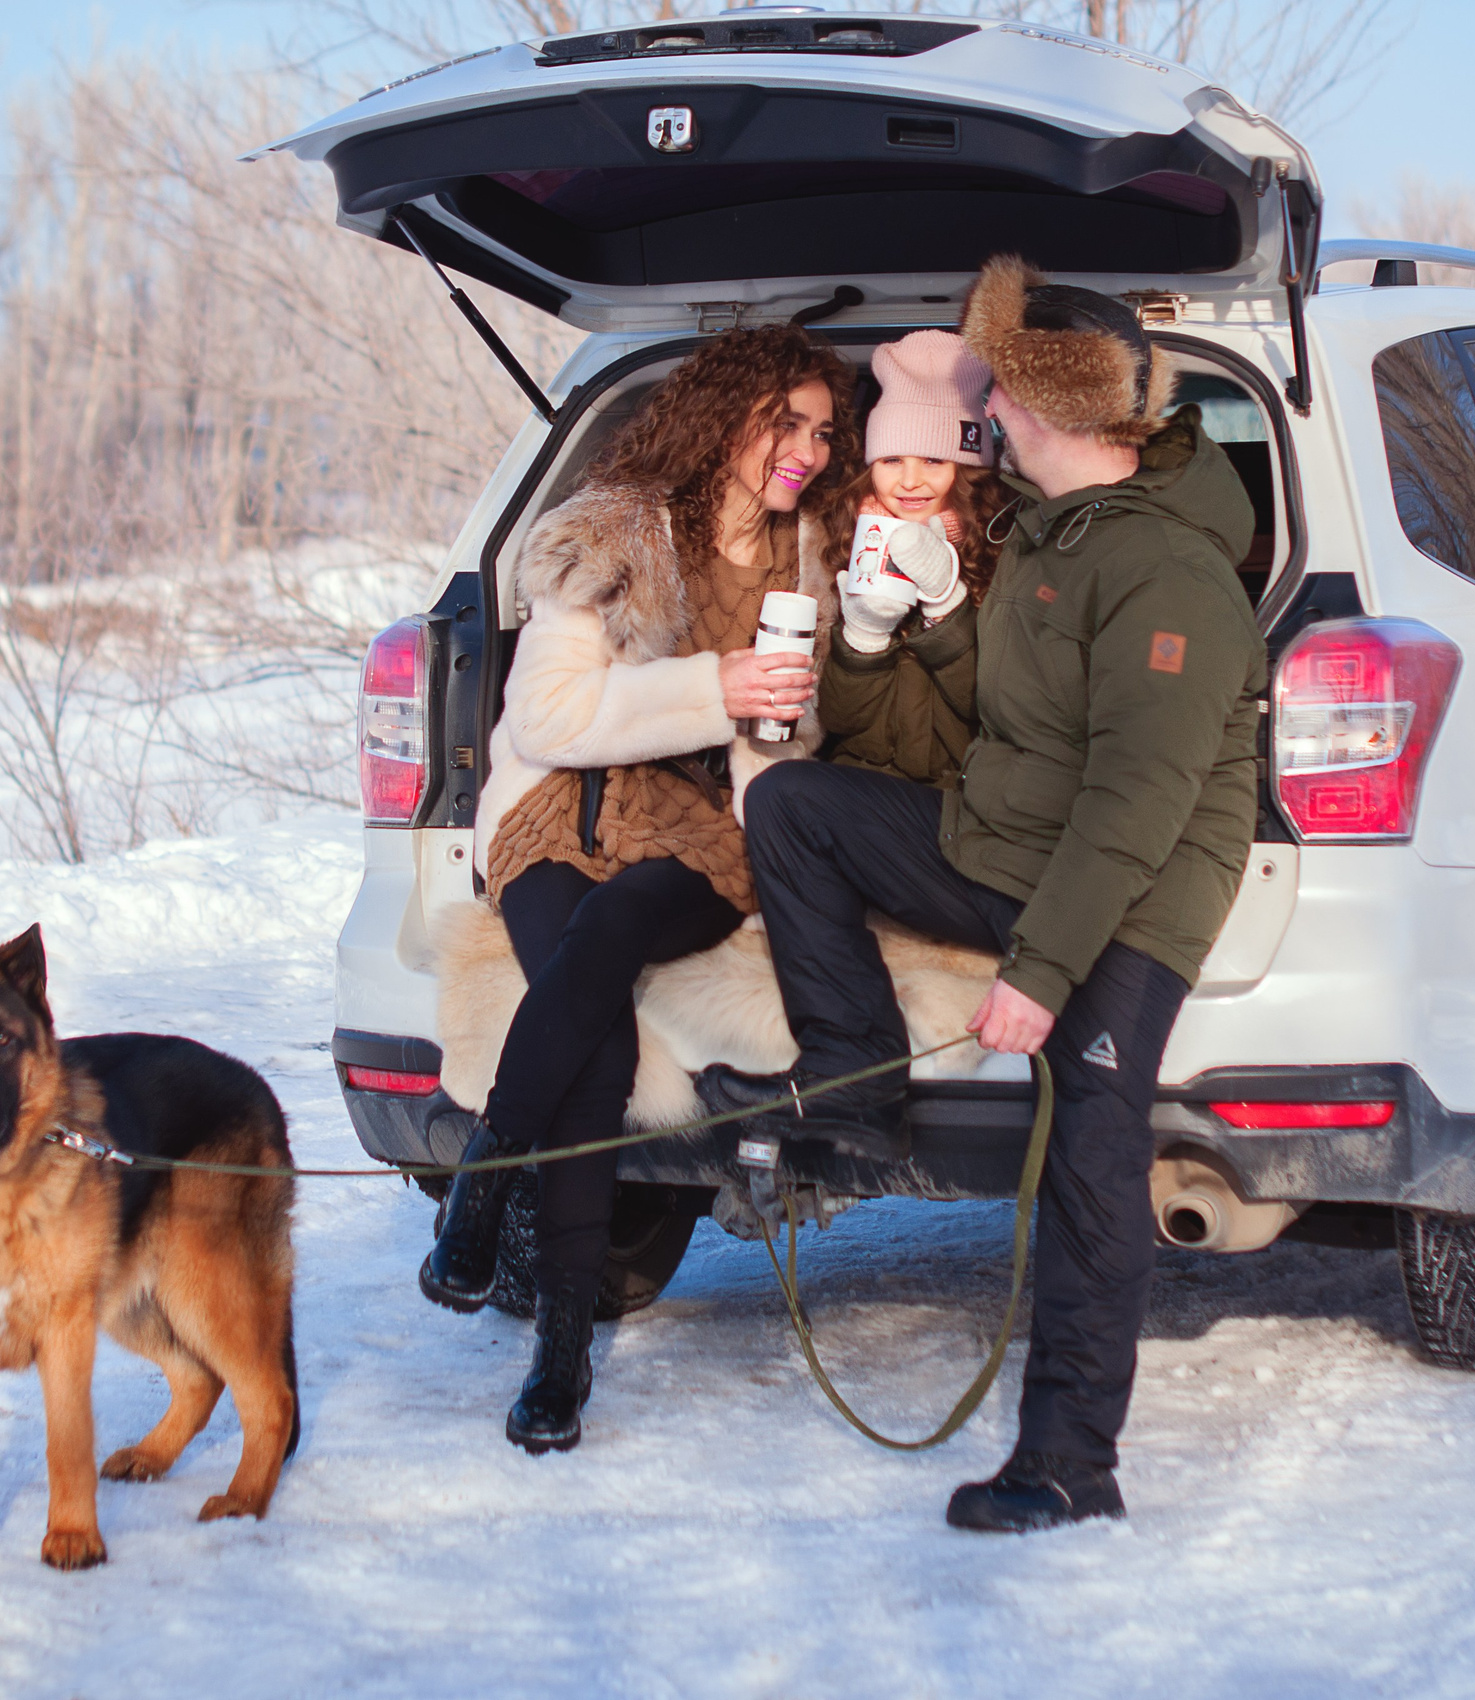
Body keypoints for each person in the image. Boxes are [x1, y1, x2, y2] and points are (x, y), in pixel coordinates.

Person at [699, 256, 1266, 1532]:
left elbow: (1135, 805)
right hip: (999, 847)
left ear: (1054, 410)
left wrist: (1039, 974)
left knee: (1087, 1146)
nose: (986, 417)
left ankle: (1070, 1459)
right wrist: (883, 630)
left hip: (1124, 902)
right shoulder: (1048, 531)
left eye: (1001, 394)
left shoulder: (1165, 574)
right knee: (794, 807)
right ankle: (853, 1087)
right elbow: (982, 735)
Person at [420, 325, 854, 1455]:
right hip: (557, 811)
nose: (806, 449)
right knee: (598, 1036)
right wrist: (716, 682)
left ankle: (485, 1185)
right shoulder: (615, 532)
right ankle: (559, 1349)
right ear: (721, 416)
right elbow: (549, 720)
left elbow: (785, 729)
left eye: (820, 429)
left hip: (701, 834)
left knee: (611, 933)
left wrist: (774, 730)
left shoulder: (806, 555)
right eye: (784, 423)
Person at [817, 330, 1011, 787]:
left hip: (964, 796)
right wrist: (865, 635)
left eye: (931, 460)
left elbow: (994, 711)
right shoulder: (840, 542)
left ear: (966, 469)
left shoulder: (1004, 548)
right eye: (890, 460)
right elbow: (838, 719)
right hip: (862, 787)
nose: (908, 482)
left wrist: (946, 603)